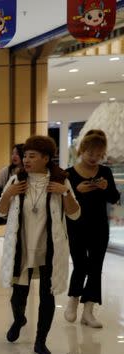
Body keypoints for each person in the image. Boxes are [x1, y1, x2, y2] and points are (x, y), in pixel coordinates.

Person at [0, 135, 81, 354]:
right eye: (24, 155)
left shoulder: (61, 180)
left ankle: (41, 341)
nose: (26, 159)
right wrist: (8, 194)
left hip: (49, 250)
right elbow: (0, 212)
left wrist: (64, 192)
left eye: (32, 156)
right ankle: (19, 319)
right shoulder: (17, 181)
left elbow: (74, 214)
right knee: (18, 296)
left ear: (45, 158)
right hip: (22, 248)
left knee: (47, 295)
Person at [64, 130, 121, 328]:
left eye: (99, 155)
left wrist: (106, 188)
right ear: (82, 151)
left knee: (96, 267)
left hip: (99, 226)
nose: (95, 158)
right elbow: (63, 204)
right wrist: (77, 192)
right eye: (91, 154)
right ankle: (73, 299)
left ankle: (88, 310)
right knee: (81, 265)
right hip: (76, 226)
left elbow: (114, 198)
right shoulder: (69, 174)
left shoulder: (105, 172)